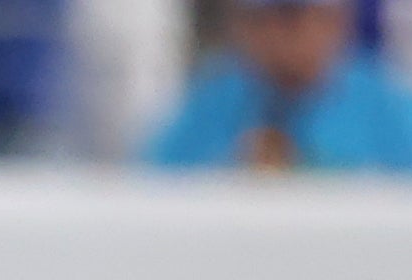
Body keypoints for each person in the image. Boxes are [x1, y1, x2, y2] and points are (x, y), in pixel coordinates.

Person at [146, 0, 412, 170]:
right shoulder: (212, 102)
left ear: (335, 21)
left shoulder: (386, 107)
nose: (272, 34)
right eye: (257, 19)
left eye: (289, 17)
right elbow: (149, 187)